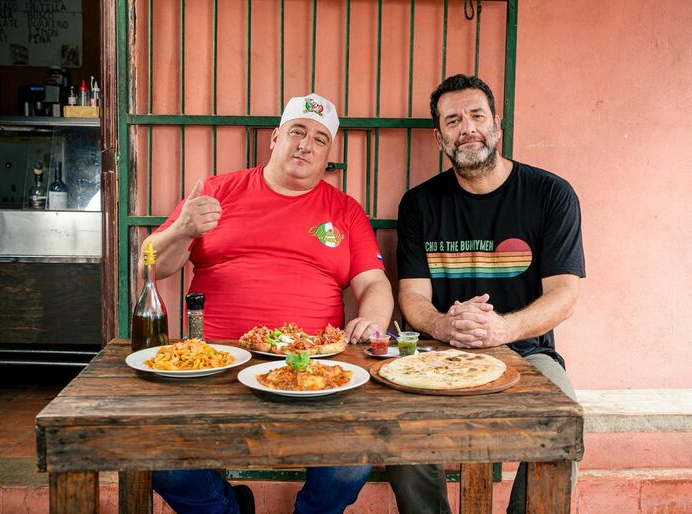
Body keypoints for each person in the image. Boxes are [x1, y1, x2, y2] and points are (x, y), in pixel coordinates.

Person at [142, 93, 393, 514]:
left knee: (350, 462)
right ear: (276, 137)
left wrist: (370, 321)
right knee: (161, 462)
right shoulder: (217, 191)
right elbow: (150, 265)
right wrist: (182, 229)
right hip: (212, 364)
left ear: (328, 153)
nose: (305, 145)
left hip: (312, 368)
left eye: (319, 138)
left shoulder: (345, 210)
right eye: (297, 131)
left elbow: (375, 284)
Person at [390, 74, 585, 514]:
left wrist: (503, 327)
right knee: (401, 439)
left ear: (497, 123)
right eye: (453, 120)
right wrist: (442, 324)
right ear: (439, 136)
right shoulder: (420, 203)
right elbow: (412, 297)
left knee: (563, 431)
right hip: (438, 353)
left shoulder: (551, 194)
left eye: (477, 115)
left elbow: (565, 294)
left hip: (528, 353)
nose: (468, 128)